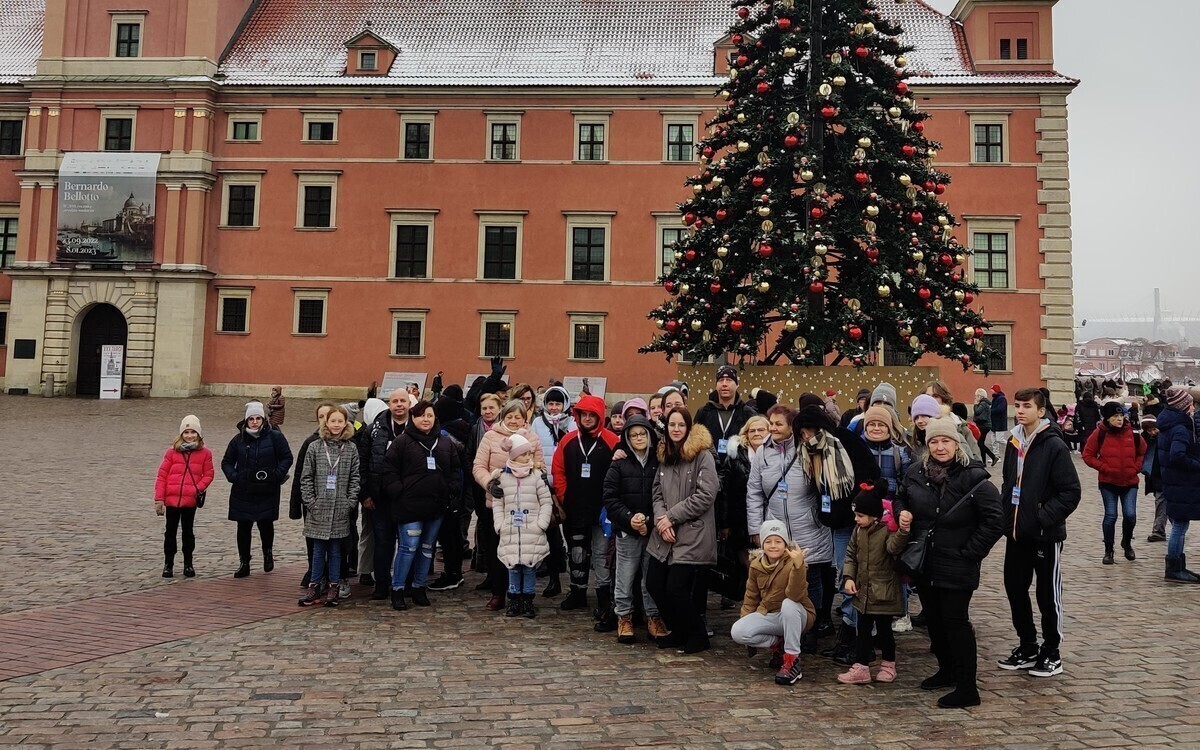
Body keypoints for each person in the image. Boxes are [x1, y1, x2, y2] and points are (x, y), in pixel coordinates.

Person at [896, 416, 1003, 708]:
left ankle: (968, 687)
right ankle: (947, 670)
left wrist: (971, 551)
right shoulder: (917, 472)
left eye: (945, 441)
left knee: (956, 622)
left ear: (957, 443)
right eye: (934, 441)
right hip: (924, 559)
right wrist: (902, 511)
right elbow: (901, 497)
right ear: (927, 445)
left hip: (958, 560)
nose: (940, 447)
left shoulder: (973, 477)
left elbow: (995, 520)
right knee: (934, 621)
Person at [998, 388, 1081, 679]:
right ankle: (1028, 645)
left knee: (1047, 594)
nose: (1020, 410)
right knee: (1015, 589)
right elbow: (1009, 484)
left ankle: (1052, 650)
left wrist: (1041, 518)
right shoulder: (1013, 441)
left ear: (1041, 410)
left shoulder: (1053, 445)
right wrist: (1006, 518)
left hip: (1045, 534)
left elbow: (1071, 492)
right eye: (1017, 405)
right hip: (1016, 533)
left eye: (1027, 406)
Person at [745, 404, 830, 652]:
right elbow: (754, 492)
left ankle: (810, 629)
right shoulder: (763, 453)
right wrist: (756, 528)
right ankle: (783, 631)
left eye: (778, 423)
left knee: (810, 578)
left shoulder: (806, 448)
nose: (772, 428)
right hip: (776, 527)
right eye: (770, 423)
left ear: (792, 425)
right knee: (780, 581)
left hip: (808, 526)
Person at [646, 407, 718, 654]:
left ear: (688, 428)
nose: (676, 429)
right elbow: (656, 491)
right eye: (672, 425)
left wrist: (672, 517)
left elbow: (706, 494)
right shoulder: (664, 453)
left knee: (676, 589)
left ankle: (697, 635)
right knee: (654, 584)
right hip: (664, 532)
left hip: (692, 533)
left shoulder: (702, 455)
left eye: (681, 425)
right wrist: (661, 518)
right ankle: (677, 630)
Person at [380, 401, 462, 610]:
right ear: (413, 418)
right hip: (409, 506)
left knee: (427, 548)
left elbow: (455, 469)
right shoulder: (402, 442)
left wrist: (451, 489)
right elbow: (388, 469)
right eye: (420, 416)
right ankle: (398, 588)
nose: (425, 419)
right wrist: (398, 490)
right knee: (408, 548)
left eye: (429, 415)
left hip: (436, 506)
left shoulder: (444, 442)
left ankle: (419, 587)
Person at [552, 394, 620, 626]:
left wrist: (612, 504)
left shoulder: (612, 440)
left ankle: (604, 597)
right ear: (578, 416)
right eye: (584, 414)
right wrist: (562, 495)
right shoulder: (568, 440)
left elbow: (619, 473)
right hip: (575, 508)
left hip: (602, 511)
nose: (588, 418)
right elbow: (558, 469)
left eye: (592, 415)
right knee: (577, 552)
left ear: (600, 417)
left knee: (601, 554)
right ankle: (578, 592)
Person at [602, 415, 669, 643]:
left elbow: (665, 494)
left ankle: (653, 616)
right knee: (625, 575)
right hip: (627, 529)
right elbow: (610, 498)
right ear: (627, 438)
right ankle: (624, 616)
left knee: (650, 577)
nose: (638, 438)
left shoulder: (659, 461)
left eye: (642, 434)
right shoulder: (619, 463)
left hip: (653, 530)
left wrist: (650, 521)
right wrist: (630, 519)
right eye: (633, 435)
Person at [836, 482, 911, 685]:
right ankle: (861, 666)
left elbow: (894, 548)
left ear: (873, 516)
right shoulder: (858, 531)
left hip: (884, 592)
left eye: (860, 515)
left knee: (885, 632)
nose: (856, 519)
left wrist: (903, 532)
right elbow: (851, 555)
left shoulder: (886, 531)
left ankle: (888, 664)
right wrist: (849, 577)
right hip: (864, 592)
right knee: (863, 631)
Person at [474, 399, 545, 610]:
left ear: (525, 418)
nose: (514, 421)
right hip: (497, 503)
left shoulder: (532, 437)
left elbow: (540, 466)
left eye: (518, 417)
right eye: (509, 416)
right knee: (498, 550)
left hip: (526, 506)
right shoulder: (490, 437)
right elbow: (478, 466)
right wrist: (489, 483)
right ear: (502, 417)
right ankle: (498, 593)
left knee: (522, 552)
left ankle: (522, 595)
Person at [729, 519, 815, 685]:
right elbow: (751, 597)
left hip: (797, 614)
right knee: (738, 631)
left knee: (789, 604)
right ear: (762, 544)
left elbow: (796, 595)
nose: (773, 546)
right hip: (770, 614)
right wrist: (746, 620)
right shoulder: (755, 565)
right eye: (768, 541)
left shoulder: (794, 562)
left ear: (785, 543)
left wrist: (798, 567)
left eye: (778, 541)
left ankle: (792, 660)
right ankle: (778, 644)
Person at [298, 406, 360, 607]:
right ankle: (315, 585)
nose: (336, 425)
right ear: (326, 423)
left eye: (340, 421)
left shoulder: (351, 448)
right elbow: (306, 476)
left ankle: (334, 585)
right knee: (318, 550)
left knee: (335, 550)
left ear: (345, 424)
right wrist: (310, 502)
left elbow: (355, 478)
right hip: (319, 507)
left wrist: (350, 501)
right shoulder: (315, 446)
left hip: (340, 507)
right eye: (332, 421)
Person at [222, 402, 293, 578]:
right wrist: (235, 476)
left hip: (267, 488)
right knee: (243, 526)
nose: (254, 422)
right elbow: (227, 462)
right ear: (246, 421)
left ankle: (267, 553)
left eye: (258, 418)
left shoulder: (275, 437)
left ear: (263, 419)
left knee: (265, 523)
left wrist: (276, 475)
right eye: (251, 419)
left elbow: (287, 457)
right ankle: (244, 561)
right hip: (243, 490)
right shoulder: (238, 440)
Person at [486, 433, 553, 618]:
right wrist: (499, 524)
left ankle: (528, 599)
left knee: (529, 566)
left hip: (531, 529)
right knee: (513, 566)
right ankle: (514, 599)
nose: (528, 457)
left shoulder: (537, 476)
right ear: (514, 455)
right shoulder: (502, 477)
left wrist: (541, 523)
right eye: (524, 454)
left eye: (529, 454)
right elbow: (498, 503)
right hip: (510, 530)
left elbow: (546, 501)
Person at [860, 405, 913, 632]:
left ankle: (901, 612)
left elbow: (906, 484)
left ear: (889, 428)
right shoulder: (859, 449)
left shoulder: (899, 453)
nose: (876, 428)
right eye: (871, 424)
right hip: (866, 518)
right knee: (869, 567)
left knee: (895, 567)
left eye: (881, 425)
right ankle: (869, 612)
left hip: (891, 518)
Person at [1082, 401, 1145, 565]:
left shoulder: (1133, 433)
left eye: (1121, 416)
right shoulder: (1099, 434)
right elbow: (1087, 455)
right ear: (1107, 419)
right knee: (1111, 516)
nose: (1120, 419)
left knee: (1130, 515)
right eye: (1115, 416)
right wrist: (1103, 467)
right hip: (1108, 482)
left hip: (1130, 481)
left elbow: (1142, 452)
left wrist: (1136, 468)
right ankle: (1108, 550)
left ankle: (1127, 543)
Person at [717, 414, 770, 606]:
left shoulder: (774, 454)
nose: (756, 433)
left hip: (769, 519)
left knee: (768, 565)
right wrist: (724, 523)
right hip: (740, 520)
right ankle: (753, 605)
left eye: (760, 429)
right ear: (746, 433)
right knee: (749, 566)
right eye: (752, 430)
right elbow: (725, 491)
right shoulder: (735, 456)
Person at [154, 415, 215, 578]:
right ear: (181, 434)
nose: (189, 435)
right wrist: (159, 499)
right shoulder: (171, 452)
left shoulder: (205, 453)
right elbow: (162, 476)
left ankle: (188, 563)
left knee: (188, 532)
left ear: (198, 434)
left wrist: (198, 488)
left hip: (190, 499)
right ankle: (168, 564)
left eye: (193, 432)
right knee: (170, 532)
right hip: (172, 499)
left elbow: (209, 473)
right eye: (186, 432)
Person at [364, 389, 410, 600]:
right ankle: (381, 584)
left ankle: (405, 584)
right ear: (388, 405)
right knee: (383, 542)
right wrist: (365, 494)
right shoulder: (374, 428)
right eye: (395, 401)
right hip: (380, 497)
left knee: (408, 544)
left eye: (403, 401)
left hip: (408, 498)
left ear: (409, 404)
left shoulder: (417, 427)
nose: (399, 405)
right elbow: (363, 462)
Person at [529, 385, 573, 598]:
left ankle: (576, 580)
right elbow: (533, 451)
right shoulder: (537, 423)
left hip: (567, 486)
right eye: (550, 403)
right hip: (545, 486)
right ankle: (554, 577)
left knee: (573, 533)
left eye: (557, 403)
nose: (554, 408)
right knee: (551, 533)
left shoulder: (572, 423)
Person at [289, 401, 338, 588]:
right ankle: (315, 572)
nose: (325, 421)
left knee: (336, 544)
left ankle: (335, 576)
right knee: (314, 542)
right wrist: (298, 505)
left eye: (328, 416)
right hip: (313, 503)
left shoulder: (345, 444)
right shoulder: (310, 442)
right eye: (321, 417)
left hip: (336, 503)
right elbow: (300, 476)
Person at [1158, 387, 1200, 583]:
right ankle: (1174, 568)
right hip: (1181, 482)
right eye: (1190, 404)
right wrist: (1196, 465)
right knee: (1179, 525)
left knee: (1179, 523)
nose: (1193, 407)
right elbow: (1177, 455)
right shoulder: (1181, 428)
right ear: (1184, 406)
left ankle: (1179, 566)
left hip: (1174, 481)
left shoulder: (1170, 423)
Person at [695, 365, 758, 463]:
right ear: (716, 385)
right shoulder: (703, 412)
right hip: (709, 467)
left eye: (728, 380)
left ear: (737, 385)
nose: (724, 384)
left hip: (739, 470)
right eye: (720, 380)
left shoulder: (748, 414)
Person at [1142, 415, 1167, 543]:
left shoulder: (1163, 438)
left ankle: (1159, 530)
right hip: (1154, 476)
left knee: (1161, 501)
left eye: (1154, 429)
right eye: (1149, 430)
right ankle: (1175, 527)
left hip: (1163, 475)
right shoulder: (1144, 440)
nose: (1152, 432)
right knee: (1163, 502)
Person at [908, 394, 942, 463]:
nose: (919, 421)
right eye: (916, 418)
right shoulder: (914, 442)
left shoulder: (951, 437)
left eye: (924, 416)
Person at [973, 389, 998, 466]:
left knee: (980, 444)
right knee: (981, 443)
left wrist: (975, 405)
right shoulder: (985, 402)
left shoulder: (983, 403)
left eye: (976, 396)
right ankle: (984, 462)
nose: (975, 397)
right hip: (984, 425)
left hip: (983, 426)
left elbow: (977, 411)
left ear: (979, 396)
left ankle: (993, 457)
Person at [990, 385, 1009, 455]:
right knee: (993, 441)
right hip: (994, 422)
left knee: (999, 439)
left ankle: (1012, 447)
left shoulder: (1002, 399)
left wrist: (990, 410)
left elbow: (1000, 409)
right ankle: (996, 456)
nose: (991, 391)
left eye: (992, 390)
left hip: (1000, 422)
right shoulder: (995, 398)